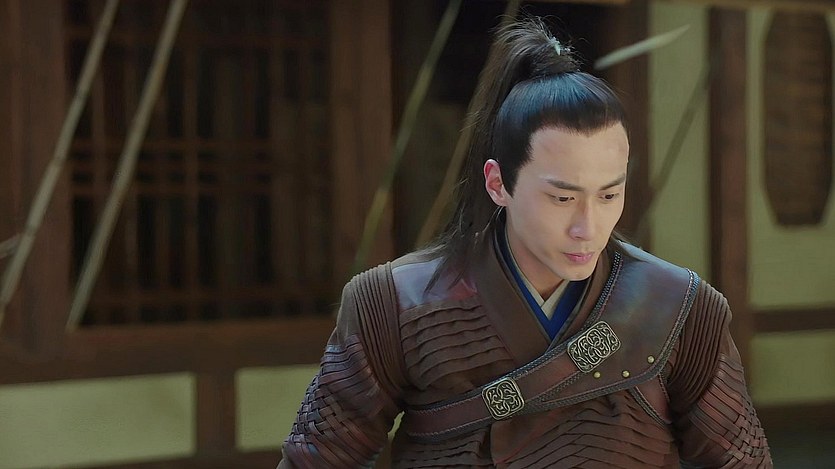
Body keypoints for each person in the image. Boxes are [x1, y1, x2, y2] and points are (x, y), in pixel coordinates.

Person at [279, 18, 771, 468]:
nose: (587, 227)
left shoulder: (680, 307)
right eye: (562, 198)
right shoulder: (392, 303)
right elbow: (316, 459)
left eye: (609, 195)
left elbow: (742, 461)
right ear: (499, 184)